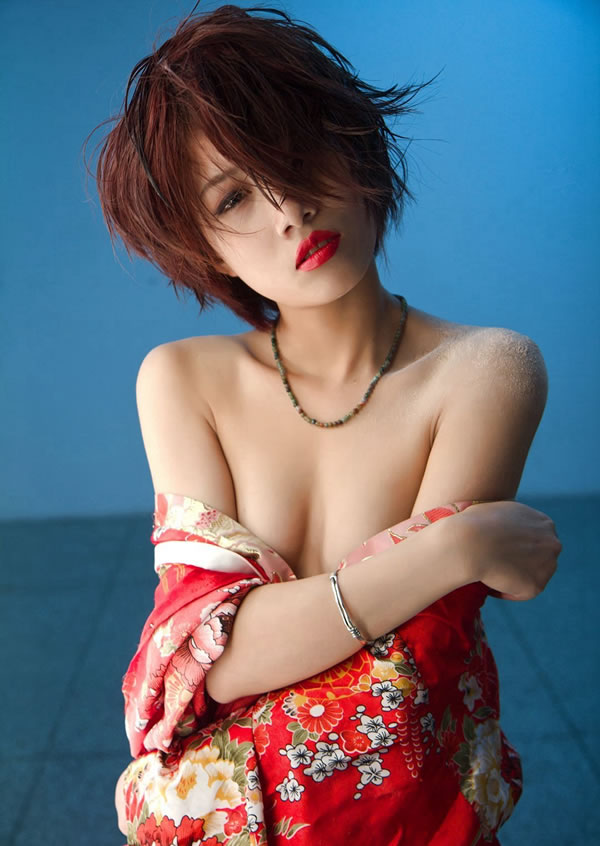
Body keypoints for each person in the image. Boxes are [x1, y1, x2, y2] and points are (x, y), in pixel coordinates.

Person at [87, 4, 561, 844]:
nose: (288, 209)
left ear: (356, 145)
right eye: (234, 196)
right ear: (205, 249)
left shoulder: (487, 369)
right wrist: (453, 548)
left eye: (295, 154)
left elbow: (404, 686)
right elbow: (197, 666)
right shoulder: (183, 379)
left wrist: (244, 647)